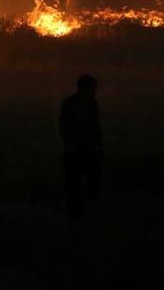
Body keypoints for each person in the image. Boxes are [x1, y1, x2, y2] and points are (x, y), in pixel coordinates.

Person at [59, 74, 103, 222]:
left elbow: (95, 126)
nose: (95, 91)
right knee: (77, 185)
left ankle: (80, 214)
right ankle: (78, 215)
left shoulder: (78, 103)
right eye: (93, 88)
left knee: (83, 184)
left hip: (82, 150)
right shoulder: (82, 104)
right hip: (78, 150)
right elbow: (65, 129)